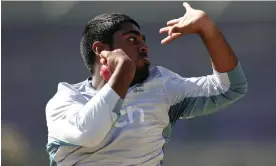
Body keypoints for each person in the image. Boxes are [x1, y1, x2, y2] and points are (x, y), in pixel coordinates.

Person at [46, 2, 248, 166]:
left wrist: (208, 30)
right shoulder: (66, 100)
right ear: (101, 50)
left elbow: (230, 87)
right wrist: (124, 71)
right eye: (132, 39)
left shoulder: (160, 85)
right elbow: (88, 133)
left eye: (143, 40)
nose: (143, 46)